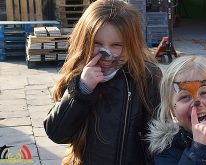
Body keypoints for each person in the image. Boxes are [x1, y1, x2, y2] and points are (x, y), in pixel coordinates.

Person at [43, 0, 162, 165]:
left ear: (132, 44)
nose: (106, 53)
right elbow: (56, 133)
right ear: (85, 43)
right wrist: (81, 91)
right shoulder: (78, 77)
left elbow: (157, 135)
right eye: (97, 44)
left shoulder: (147, 75)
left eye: (116, 45)